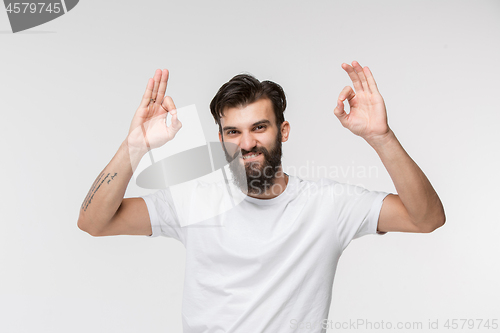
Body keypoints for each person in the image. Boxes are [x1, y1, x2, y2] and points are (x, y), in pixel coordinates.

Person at [78, 61, 445, 333]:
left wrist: (381, 137)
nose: (247, 143)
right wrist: (134, 146)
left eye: (259, 127)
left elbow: (426, 218)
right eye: (233, 131)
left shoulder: (328, 205)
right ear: (220, 138)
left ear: (283, 131)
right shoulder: (194, 200)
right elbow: (94, 222)